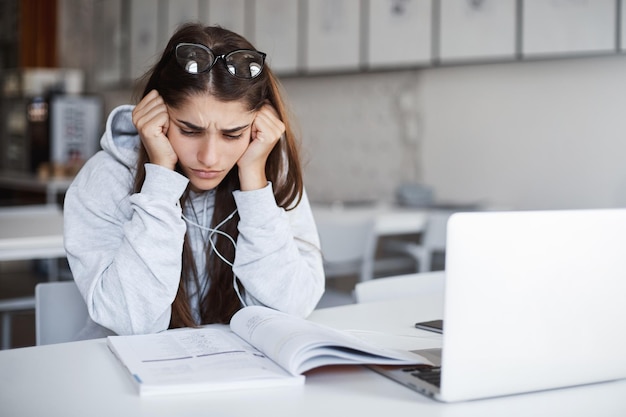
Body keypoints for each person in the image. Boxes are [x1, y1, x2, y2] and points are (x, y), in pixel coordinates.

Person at [63, 23, 325, 339]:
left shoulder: (269, 170)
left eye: (233, 134)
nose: (209, 157)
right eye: (189, 130)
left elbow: (293, 308)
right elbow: (132, 322)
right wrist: (159, 179)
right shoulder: (106, 178)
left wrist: (255, 183)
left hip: (230, 375)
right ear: (155, 115)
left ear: (258, 125)